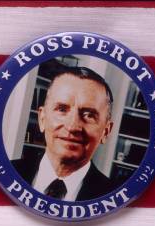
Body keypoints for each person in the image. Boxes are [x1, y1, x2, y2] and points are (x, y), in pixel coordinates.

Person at [12, 66, 116, 201]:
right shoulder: (6, 175)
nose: (72, 126)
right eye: (61, 109)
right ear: (42, 119)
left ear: (106, 132)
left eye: (89, 115)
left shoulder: (114, 199)